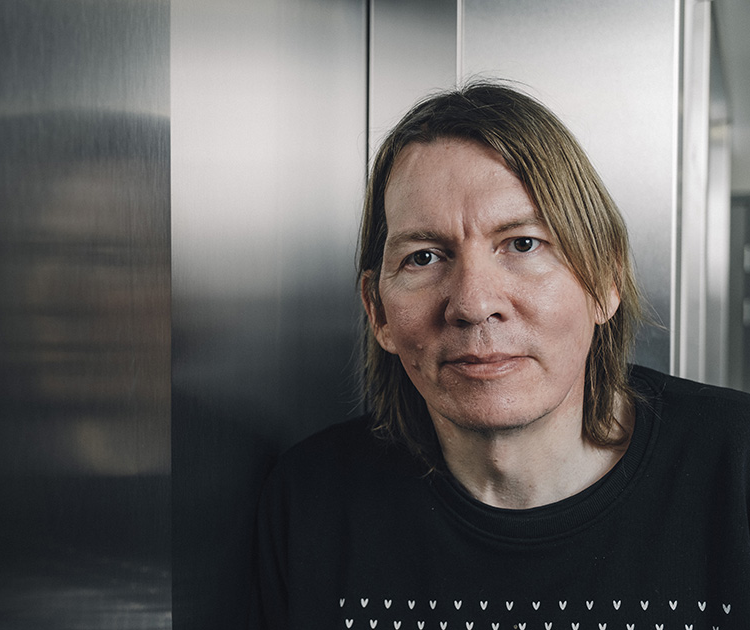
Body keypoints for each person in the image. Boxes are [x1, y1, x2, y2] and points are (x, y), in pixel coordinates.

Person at [250, 82, 750, 629]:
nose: (473, 304)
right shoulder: (310, 502)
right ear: (378, 311)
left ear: (606, 280)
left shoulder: (737, 465)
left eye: (523, 244)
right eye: (424, 257)